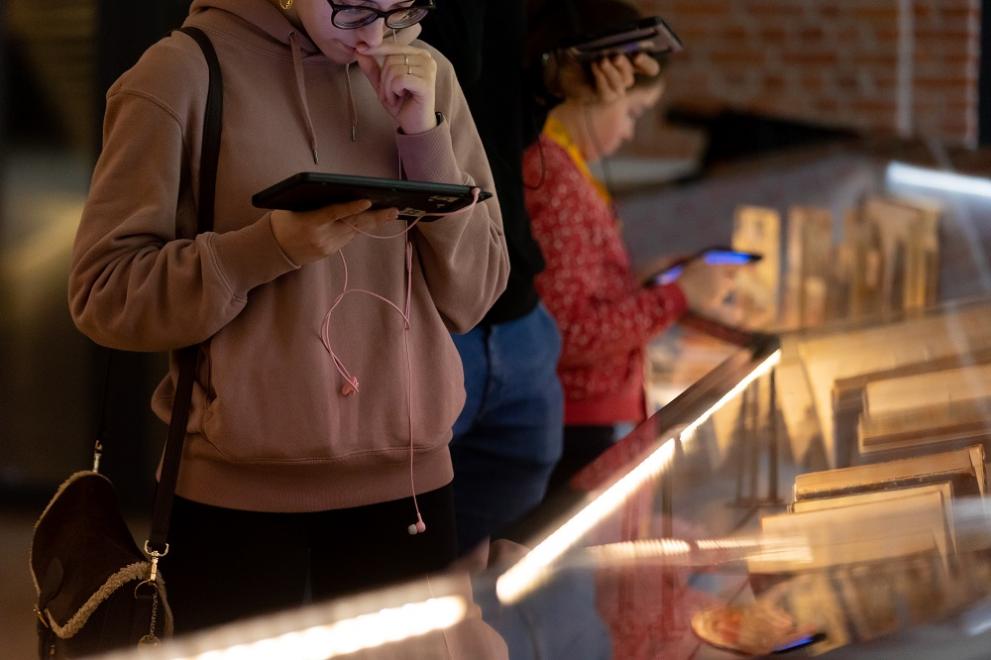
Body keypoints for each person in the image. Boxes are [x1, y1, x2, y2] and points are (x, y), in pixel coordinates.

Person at [68, 0, 508, 632]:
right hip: (233, 500)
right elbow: (104, 294)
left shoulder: (427, 73)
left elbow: (477, 294)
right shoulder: (179, 75)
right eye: (355, 8)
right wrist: (266, 249)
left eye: (401, 6)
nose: (378, 33)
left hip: (409, 493)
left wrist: (425, 139)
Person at [420, 1, 660, 554]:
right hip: (427, 320)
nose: (628, 128)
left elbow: (502, 130)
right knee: (411, 590)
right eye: (632, 114)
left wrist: (549, 85)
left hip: (518, 322)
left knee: (507, 587)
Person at [523, 0, 734, 491]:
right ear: (601, 87)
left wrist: (634, 284)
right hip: (581, 423)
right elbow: (569, 334)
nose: (629, 132)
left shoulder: (559, 168)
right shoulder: (553, 180)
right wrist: (679, 296)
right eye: (633, 112)